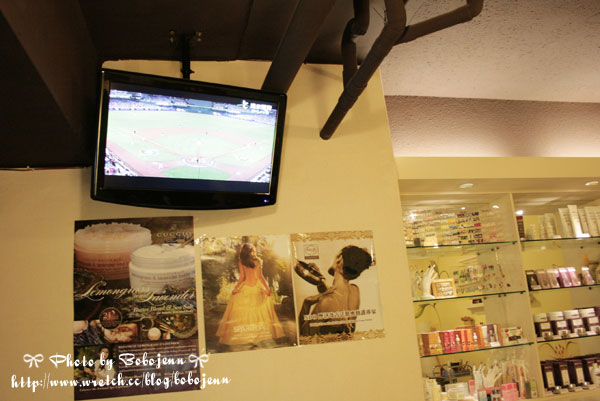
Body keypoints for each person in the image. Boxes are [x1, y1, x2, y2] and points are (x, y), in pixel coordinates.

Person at [216, 244, 285, 346]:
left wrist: (236, 289)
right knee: (258, 310)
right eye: (253, 250)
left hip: (246, 287)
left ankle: (248, 335)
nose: (254, 252)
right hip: (257, 287)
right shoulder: (258, 261)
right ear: (250, 252)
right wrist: (267, 289)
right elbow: (260, 276)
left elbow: (242, 278)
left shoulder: (242, 262)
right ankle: (256, 335)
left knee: (242, 309)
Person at [296, 245, 372, 336]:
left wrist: (306, 303)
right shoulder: (355, 290)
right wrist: (321, 279)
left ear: (339, 258)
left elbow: (303, 337)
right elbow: (335, 298)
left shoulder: (327, 302)